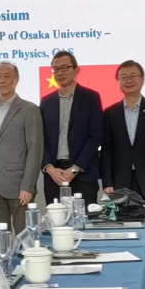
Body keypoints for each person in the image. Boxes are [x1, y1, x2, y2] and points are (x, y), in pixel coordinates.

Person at [100, 60, 145, 285]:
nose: (128, 80)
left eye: (133, 76)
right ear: (118, 81)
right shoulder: (110, 112)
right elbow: (107, 150)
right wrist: (107, 182)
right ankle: (127, 282)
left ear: (142, 79)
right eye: (124, 77)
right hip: (120, 183)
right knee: (122, 235)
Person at [0, 61, 43, 234]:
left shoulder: (29, 109)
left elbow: (35, 149)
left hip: (19, 186)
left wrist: (28, 186)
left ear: (16, 80)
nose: (2, 80)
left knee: (25, 238)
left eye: (7, 76)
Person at [40, 51, 103, 206]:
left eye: (64, 68)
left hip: (83, 175)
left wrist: (74, 169)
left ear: (76, 70)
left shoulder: (91, 97)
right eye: (56, 69)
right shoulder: (46, 101)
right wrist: (49, 168)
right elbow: (40, 139)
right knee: (55, 220)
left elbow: (96, 136)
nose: (60, 73)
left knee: (84, 220)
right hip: (54, 176)